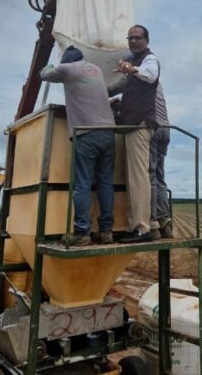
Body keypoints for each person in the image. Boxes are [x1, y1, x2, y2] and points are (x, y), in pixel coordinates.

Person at [40, 46, 116, 246]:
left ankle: (82, 232)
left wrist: (49, 65)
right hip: (109, 132)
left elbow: (44, 75)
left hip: (86, 132)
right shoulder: (96, 69)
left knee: (82, 183)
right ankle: (106, 231)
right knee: (105, 182)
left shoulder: (67, 69)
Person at [108, 24, 159, 243]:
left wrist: (132, 69)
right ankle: (135, 226)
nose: (134, 41)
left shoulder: (149, 60)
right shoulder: (135, 62)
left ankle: (142, 229)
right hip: (131, 125)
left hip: (139, 125)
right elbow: (128, 88)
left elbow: (150, 75)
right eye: (130, 38)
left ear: (147, 40)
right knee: (132, 178)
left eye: (138, 38)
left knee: (138, 178)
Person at [149, 85, 172, 240]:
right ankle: (164, 219)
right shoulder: (157, 81)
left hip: (154, 128)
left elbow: (112, 89)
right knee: (159, 175)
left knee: (150, 175)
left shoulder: (136, 75)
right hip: (166, 128)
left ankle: (152, 222)